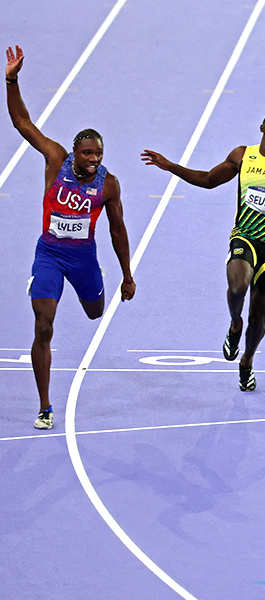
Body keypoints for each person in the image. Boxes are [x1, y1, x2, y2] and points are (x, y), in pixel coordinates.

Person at [141, 109, 265, 391]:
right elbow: (207, 180)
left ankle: (247, 361)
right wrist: (171, 166)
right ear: (262, 126)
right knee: (237, 288)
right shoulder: (243, 155)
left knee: (259, 320)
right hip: (245, 237)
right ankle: (234, 325)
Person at [5, 46, 136, 430]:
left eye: (98, 153)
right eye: (87, 153)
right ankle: (45, 405)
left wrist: (127, 275)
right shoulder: (55, 159)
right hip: (48, 253)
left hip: (83, 259)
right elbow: (22, 123)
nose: (93, 158)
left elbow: (117, 230)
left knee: (95, 313)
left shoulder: (108, 185)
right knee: (43, 325)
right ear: (75, 152)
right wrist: (11, 80)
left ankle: (95, 287)